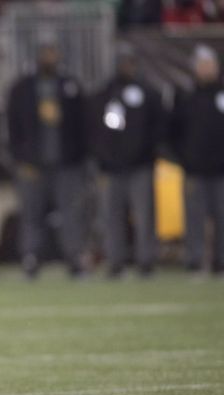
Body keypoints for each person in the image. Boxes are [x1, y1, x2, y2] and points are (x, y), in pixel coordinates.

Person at [7, 39, 88, 279]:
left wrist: (79, 157)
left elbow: (83, 125)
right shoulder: (22, 88)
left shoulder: (70, 86)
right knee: (32, 214)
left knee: (71, 213)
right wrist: (20, 160)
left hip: (66, 164)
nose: (49, 58)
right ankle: (31, 258)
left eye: (53, 54)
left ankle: (75, 259)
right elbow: (13, 127)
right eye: (46, 54)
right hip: (33, 165)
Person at [89, 45, 163, 278]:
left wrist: (147, 155)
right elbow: (93, 132)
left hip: (140, 167)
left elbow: (158, 128)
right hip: (111, 169)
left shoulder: (148, 94)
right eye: (122, 62)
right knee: (111, 217)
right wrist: (103, 159)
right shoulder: (104, 94)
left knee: (144, 216)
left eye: (129, 62)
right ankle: (115, 261)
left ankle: (146, 261)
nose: (126, 66)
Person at [171, 44, 224, 276]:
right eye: (202, 65)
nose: (206, 69)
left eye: (209, 64)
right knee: (194, 217)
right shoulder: (186, 96)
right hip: (194, 169)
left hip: (222, 170)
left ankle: (221, 261)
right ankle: (195, 260)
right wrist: (184, 160)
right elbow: (173, 133)